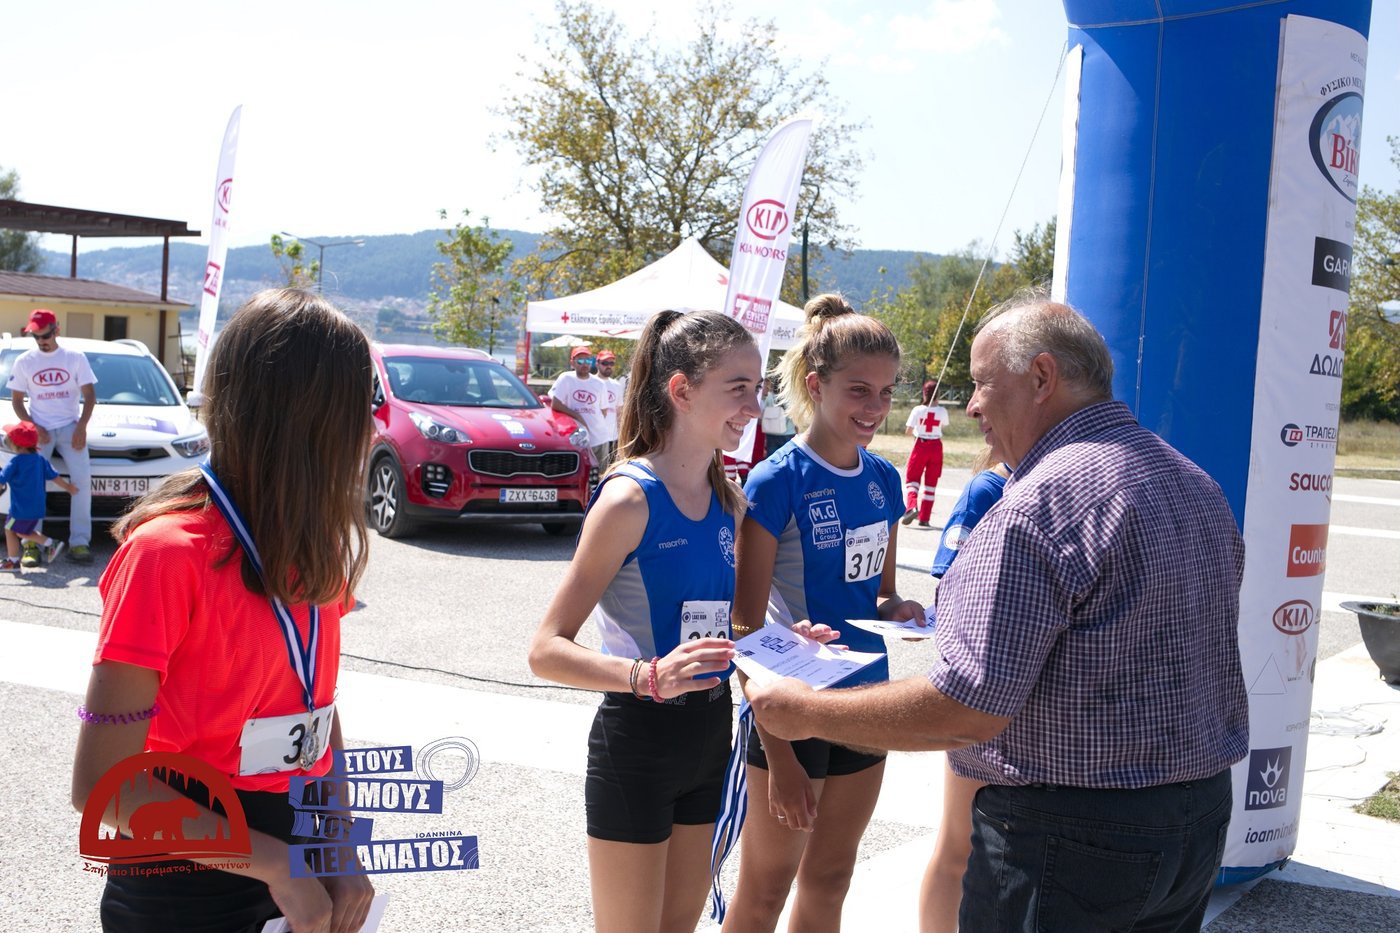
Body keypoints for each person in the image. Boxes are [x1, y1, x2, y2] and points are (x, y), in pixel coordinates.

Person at [744, 297, 1249, 933]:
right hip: (1198, 820)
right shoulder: (1194, 482)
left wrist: (802, 712)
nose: (973, 407)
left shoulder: (1037, 506)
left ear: (1042, 376)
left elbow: (965, 709)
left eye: (983, 383)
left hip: (1071, 837)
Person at [70, 289, 376, 933]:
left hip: (294, 864)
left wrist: (336, 841)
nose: (373, 429)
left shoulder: (311, 547)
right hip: (186, 881)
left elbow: (315, 710)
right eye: (360, 406)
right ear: (309, 419)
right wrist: (276, 864)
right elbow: (104, 785)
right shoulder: (166, 554)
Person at [528, 310, 762, 933]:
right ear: (681, 390)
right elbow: (545, 649)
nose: (754, 407)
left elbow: (723, 633)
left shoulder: (728, 500)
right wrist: (648, 676)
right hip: (638, 742)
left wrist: (785, 644)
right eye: (738, 388)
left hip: (711, 734)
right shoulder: (629, 499)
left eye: (758, 388)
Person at [724, 294, 924, 933]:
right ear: (816, 385)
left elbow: (881, 594)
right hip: (792, 707)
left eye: (886, 393)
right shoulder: (776, 480)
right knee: (764, 893)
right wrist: (779, 753)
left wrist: (902, 609)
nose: (875, 408)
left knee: (832, 879)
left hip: (868, 701)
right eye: (858, 390)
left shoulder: (884, 479)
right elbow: (742, 626)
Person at [918, 444, 1010, 933]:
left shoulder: (1058, 481)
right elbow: (948, 585)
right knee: (960, 843)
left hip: (1036, 700)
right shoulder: (987, 489)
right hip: (985, 690)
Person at [7, 308, 96, 564]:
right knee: (31, 485)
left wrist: (82, 427)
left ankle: (79, 543)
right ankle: (31, 544)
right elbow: (17, 401)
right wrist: (33, 426)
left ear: (56, 330)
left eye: (45, 335)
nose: (41, 341)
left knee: (82, 482)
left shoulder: (75, 358)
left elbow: (90, 396)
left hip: (70, 427)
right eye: (35, 337)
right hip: (39, 431)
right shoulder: (24, 361)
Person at [0, 420, 79, 569]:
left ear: (16, 444)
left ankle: (44, 546)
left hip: (20, 508)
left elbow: (1, 479)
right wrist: (68, 487)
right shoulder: (40, 460)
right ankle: (17, 558)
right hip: (37, 507)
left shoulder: (15, 462)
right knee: (22, 531)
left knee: (12, 530)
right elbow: (54, 476)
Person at [550, 345, 612, 472]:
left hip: (599, 438)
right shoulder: (566, 378)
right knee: (578, 474)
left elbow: (604, 411)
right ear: (572, 363)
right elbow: (555, 404)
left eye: (588, 360)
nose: (584, 364)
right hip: (576, 439)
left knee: (600, 476)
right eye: (580, 360)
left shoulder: (599, 383)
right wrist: (578, 417)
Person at [900, 380, 948, 528]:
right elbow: (942, 426)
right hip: (936, 447)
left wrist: (918, 431)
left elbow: (908, 431)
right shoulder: (942, 411)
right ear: (938, 394)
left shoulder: (918, 410)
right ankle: (925, 518)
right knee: (931, 484)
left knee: (912, 479)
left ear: (924, 393)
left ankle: (912, 507)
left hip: (920, 445)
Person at [596, 349, 623, 467]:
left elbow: (619, 412)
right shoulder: (591, 382)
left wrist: (621, 436)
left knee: (610, 469)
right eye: (605, 363)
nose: (608, 366)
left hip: (612, 437)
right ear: (597, 363)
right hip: (594, 437)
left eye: (611, 363)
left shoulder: (616, 385)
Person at [759, 377, 796, 458]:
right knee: (788, 456)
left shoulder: (769, 396)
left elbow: (763, 410)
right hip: (788, 431)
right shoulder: (789, 397)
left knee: (772, 456)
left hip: (771, 431)